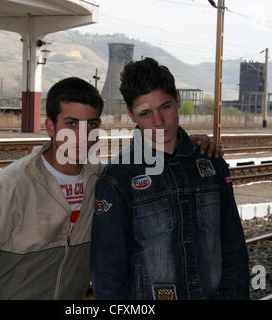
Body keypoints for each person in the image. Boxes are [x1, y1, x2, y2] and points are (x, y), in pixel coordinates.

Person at [0, 76, 220, 299]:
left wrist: (188, 145)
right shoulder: (10, 186)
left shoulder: (103, 181)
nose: (81, 136)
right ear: (51, 127)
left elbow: (152, 172)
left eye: (92, 125)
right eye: (71, 124)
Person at [90, 58, 250, 300]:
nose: (158, 122)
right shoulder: (118, 178)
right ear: (131, 115)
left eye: (165, 107)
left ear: (177, 98)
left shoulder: (211, 164)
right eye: (145, 113)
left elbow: (234, 248)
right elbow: (108, 272)